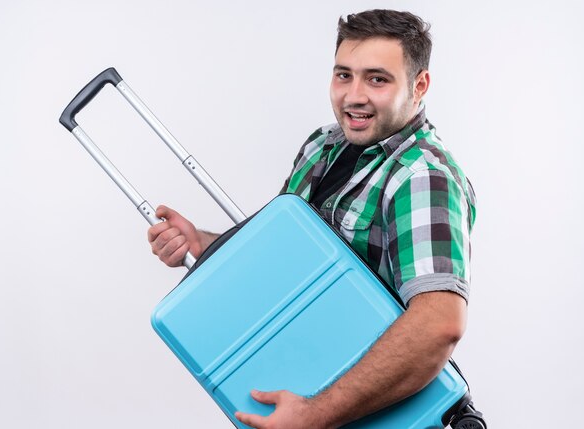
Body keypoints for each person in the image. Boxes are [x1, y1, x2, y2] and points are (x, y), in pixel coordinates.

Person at [148, 9, 476, 429]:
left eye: (377, 79)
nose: (353, 96)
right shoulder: (323, 146)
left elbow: (438, 324)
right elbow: (284, 259)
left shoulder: (423, 176)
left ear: (419, 85)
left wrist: (317, 414)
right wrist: (203, 244)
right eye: (344, 75)